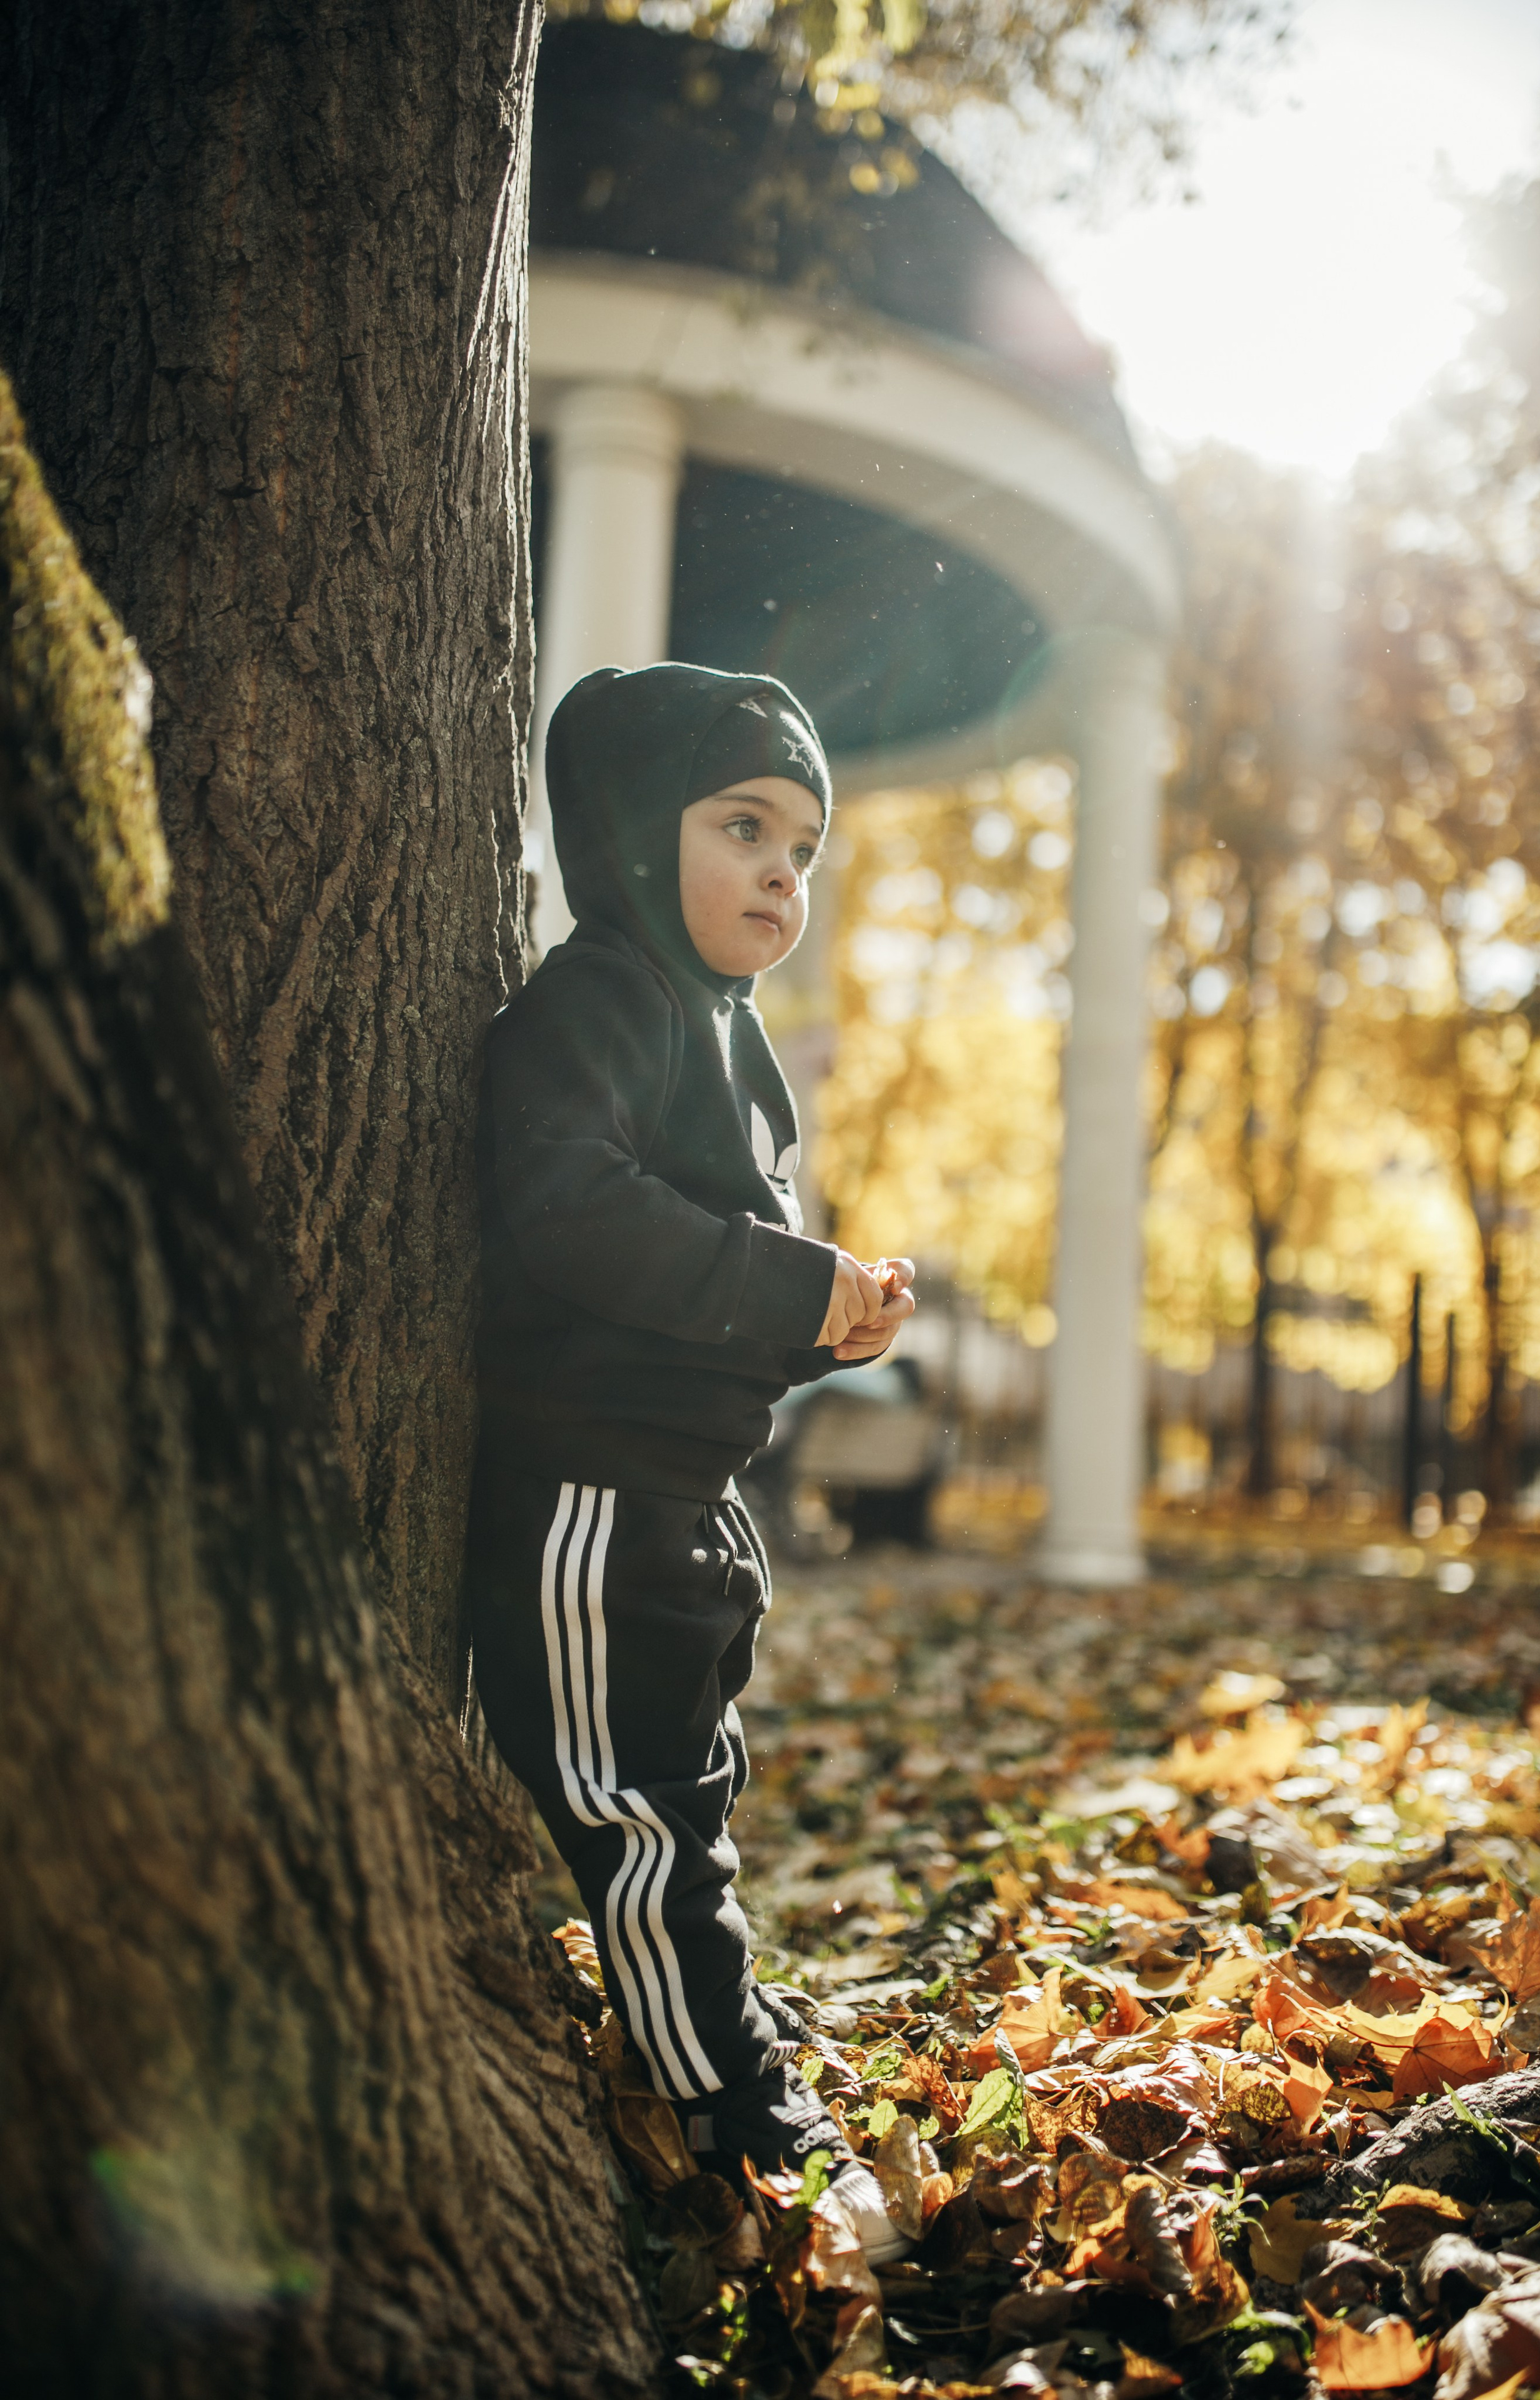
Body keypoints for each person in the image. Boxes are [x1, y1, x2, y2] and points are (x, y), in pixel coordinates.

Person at [469, 662, 915, 2256]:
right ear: (625, 828)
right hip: (588, 1496)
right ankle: (719, 2100)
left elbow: (711, 1279)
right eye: (742, 827)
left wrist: (826, 1319)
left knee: (693, 1788)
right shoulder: (595, 1002)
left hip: (689, 1500)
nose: (782, 874)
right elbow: (576, 1219)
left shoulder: (735, 1040)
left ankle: (705, 2017)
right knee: (638, 1812)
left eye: (803, 846)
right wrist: (788, 1280)